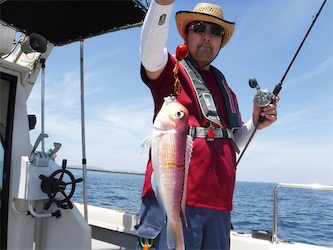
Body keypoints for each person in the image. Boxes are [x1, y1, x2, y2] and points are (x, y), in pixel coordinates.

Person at [135, 1, 278, 249]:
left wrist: (255, 123)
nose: (207, 36)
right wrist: (161, 5)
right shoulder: (172, 72)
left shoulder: (226, 90)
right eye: (199, 28)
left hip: (219, 208)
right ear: (186, 34)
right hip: (173, 202)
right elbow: (150, 53)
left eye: (215, 32)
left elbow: (231, 140)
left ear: (221, 41)